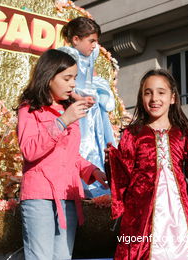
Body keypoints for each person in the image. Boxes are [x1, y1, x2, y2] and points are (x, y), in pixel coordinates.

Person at [106, 69, 188, 259]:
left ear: (173, 98)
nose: (154, 98)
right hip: (140, 213)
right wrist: (112, 161)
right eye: (148, 92)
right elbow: (122, 176)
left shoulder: (184, 133)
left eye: (160, 92)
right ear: (141, 98)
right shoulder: (132, 134)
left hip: (178, 213)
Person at [17, 49, 108, 259]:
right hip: (40, 196)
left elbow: (68, 155)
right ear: (48, 77)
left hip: (67, 196)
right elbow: (30, 150)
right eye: (67, 78)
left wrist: (92, 170)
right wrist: (62, 121)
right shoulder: (29, 109)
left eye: (74, 78)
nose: (73, 84)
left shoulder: (65, 110)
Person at [58, 17, 115, 198]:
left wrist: (95, 93)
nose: (94, 45)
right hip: (77, 109)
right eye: (91, 41)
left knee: (98, 143)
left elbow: (92, 76)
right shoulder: (68, 55)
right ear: (76, 39)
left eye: (96, 41)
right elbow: (65, 83)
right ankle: (81, 185)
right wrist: (77, 97)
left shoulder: (91, 56)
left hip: (93, 110)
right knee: (83, 143)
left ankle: (99, 184)